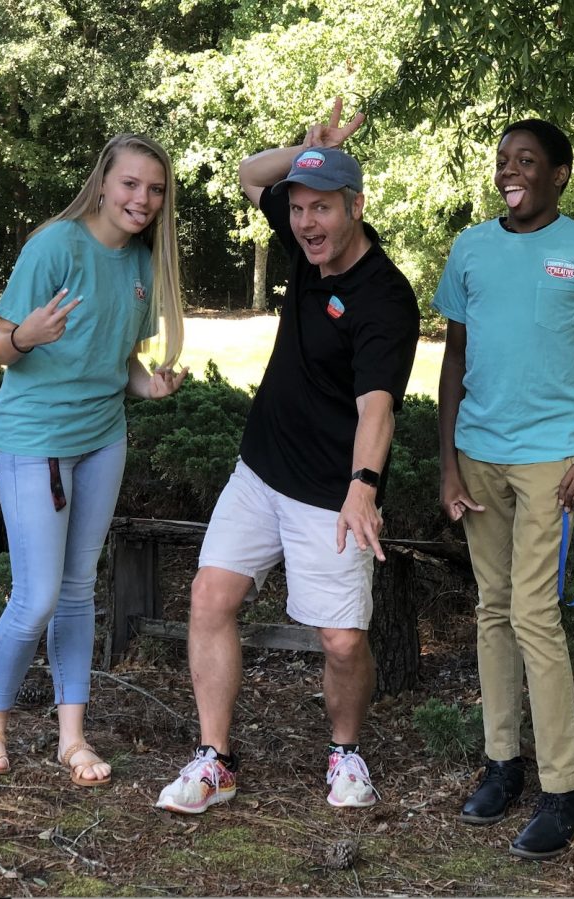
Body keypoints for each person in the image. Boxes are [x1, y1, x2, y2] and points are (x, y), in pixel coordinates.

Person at [154, 100, 419, 814]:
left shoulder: (385, 298)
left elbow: (378, 406)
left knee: (339, 638)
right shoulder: (307, 243)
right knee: (210, 597)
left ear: (356, 206)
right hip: (260, 467)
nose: (306, 222)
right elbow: (248, 175)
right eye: (298, 207)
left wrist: (363, 486)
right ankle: (215, 759)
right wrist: (304, 148)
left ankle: (345, 751)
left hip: (330, 492)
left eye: (323, 207)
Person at [435, 119, 574, 859]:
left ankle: (566, 794)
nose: (510, 171)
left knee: (533, 615)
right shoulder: (470, 247)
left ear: (561, 172)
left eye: (526, 160)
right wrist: (446, 463)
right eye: (502, 160)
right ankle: (503, 765)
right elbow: (454, 358)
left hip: (552, 462)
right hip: (478, 455)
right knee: (492, 609)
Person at [0, 134, 187, 786]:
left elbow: (118, 360)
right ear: (103, 182)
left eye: (154, 189)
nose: (142, 198)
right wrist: (25, 335)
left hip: (101, 440)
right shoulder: (54, 246)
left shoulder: (141, 262)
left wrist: (149, 385)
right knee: (35, 597)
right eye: (130, 184)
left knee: (76, 591)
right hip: (34, 440)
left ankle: (72, 737)